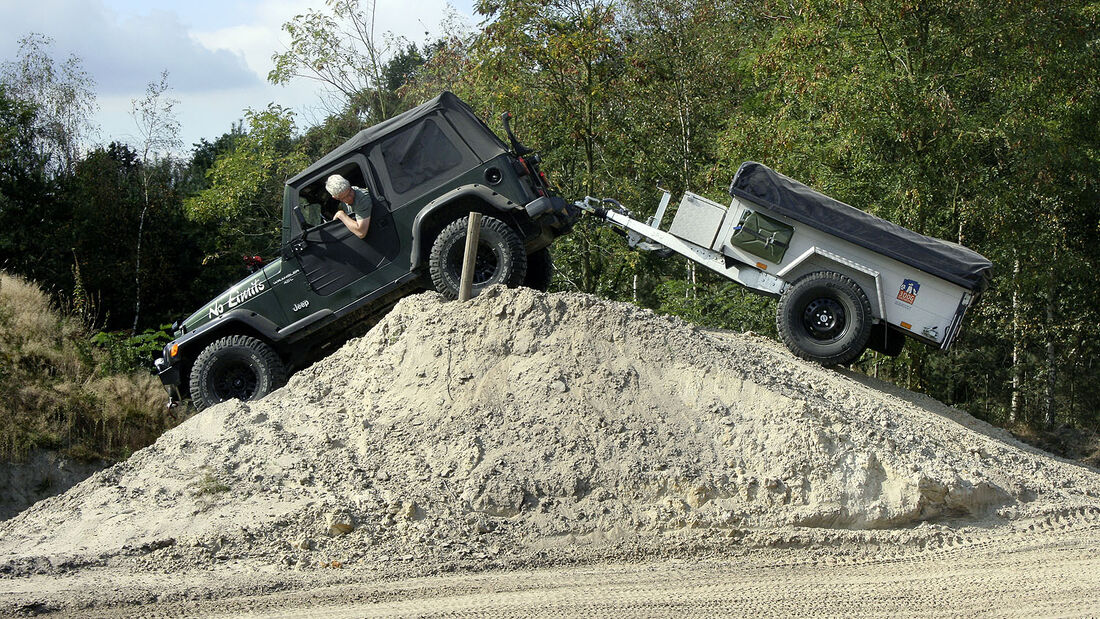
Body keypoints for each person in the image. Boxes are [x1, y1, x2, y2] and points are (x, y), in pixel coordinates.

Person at [325, 174, 372, 239]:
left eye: (349, 192)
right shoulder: (343, 200)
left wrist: (341, 215)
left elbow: (361, 233)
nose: (349, 198)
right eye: (344, 198)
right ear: (336, 198)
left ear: (349, 186)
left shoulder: (362, 198)